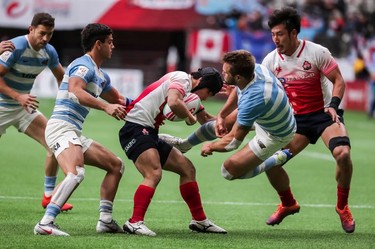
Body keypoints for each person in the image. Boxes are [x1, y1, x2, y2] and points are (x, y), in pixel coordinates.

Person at [261, 7, 355, 233]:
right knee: (270, 164)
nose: (275, 39)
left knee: (343, 154)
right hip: (295, 122)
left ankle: (342, 207)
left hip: (324, 115)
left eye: (280, 34)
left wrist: (333, 105)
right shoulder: (270, 61)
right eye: (273, 34)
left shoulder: (316, 52)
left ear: (293, 33)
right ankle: (288, 203)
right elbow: (261, 93)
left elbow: (338, 81)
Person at [34, 23, 128, 236]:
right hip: (60, 128)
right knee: (76, 173)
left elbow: (121, 100)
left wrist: (155, 104)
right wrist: (106, 106)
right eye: (110, 42)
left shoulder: (101, 75)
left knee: (116, 165)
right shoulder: (82, 65)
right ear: (98, 44)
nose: (113, 46)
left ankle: (105, 220)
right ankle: (45, 223)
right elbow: (75, 91)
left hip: (73, 132)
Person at [119, 67, 227, 236]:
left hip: (149, 131)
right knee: (153, 173)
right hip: (135, 129)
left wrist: (239, 124)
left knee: (187, 169)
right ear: (203, 85)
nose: (206, 98)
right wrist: (190, 118)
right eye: (209, 94)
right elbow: (174, 102)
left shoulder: (188, 92)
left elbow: (207, 120)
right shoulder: (182, 79)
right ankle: (134, 222)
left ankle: (199, 220)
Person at [0, 12, 73, 211]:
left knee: (54, 144)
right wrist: (18, 96)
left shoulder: (49, 51)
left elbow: (62, 77)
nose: (45, 39)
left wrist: (66, 101)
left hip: (24, 108)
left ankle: (49, 197)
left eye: (49, 34)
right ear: (30, 29)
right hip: (3, 106)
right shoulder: (14, 48)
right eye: (42, 33)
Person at [199, 50, 295, 183]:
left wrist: (211, 146)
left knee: (228, 171)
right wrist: (221, 115)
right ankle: (183, 145)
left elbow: (233, 143)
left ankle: (275, 160)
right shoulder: (255, 69)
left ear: (238, 77)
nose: (223, 73)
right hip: (269, 114)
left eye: (226, 72)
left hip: (275, 134)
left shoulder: (254, 99)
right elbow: (239, 89)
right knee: (220, 123)